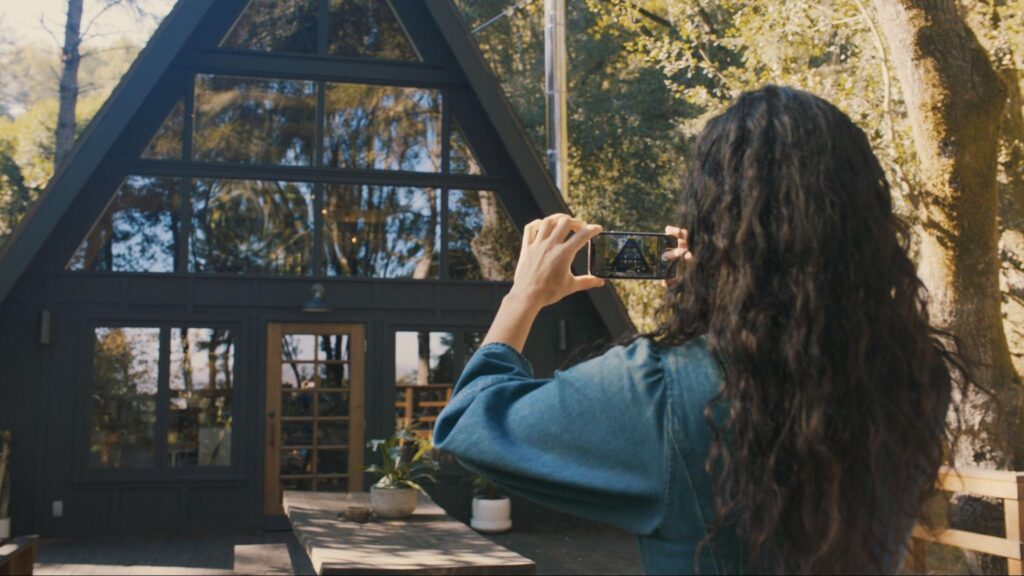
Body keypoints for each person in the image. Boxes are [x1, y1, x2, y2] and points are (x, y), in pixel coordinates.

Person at [433, 85, 964, 575]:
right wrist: (717, 300)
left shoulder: (661, 388)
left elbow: (467, 421)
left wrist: (523, 295)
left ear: (716, 225)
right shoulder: (917, 379)